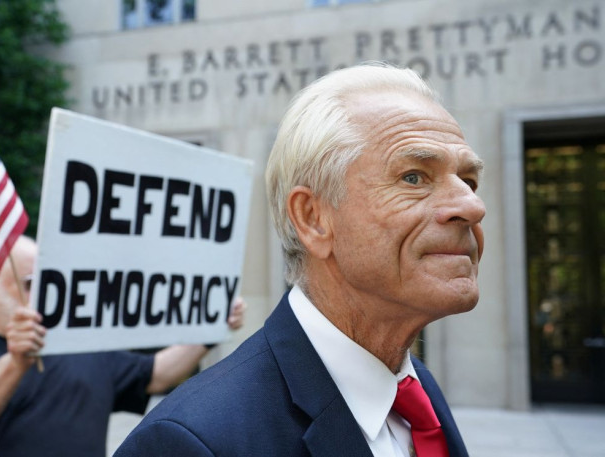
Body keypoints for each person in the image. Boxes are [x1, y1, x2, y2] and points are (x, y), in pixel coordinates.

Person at [114, 62, 485, 457]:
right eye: (414, 177)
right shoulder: (190, 442)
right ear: (313, 218)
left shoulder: (416, 389)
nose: (472, 205)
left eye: (469, 180)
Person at [0, 235, 246, 457]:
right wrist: (15, 362)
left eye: (49, 281)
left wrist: (211, 330)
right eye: (30, 283)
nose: (44, 294)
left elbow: (157, 374)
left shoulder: (76, 343)